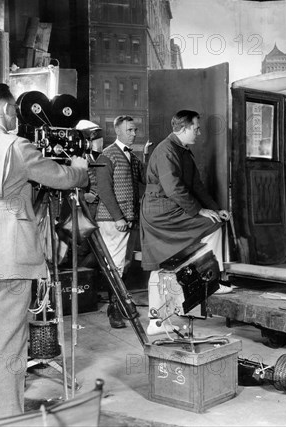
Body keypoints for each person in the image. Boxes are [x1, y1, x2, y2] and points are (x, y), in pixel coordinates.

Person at [0, 83, 88, 424]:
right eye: (14, 111)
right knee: (10, 341)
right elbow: (62, 178)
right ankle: (8, 416)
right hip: (9, 252)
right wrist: (81, 167)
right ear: (8, 110)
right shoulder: (18, 146)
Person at [140, 110, 231, 335]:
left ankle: (157, 322)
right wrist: (200, 210)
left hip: (170, 209)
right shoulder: (166, 150)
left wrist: (215, 209)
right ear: (183, 128)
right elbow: (173, 188)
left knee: (166, 264)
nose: (199, 132)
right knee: (164, 264)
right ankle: (212, 283)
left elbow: (196, 185)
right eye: (196, 128)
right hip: (161, 213)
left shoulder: (181, 150)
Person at [95, 116, 150, 329]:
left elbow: (145, 178)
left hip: (128, 218)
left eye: (135, 130)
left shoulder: (132, 156)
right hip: (112, 219)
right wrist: (118, 217)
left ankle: (121, 305)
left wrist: (145, 154)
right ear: (117, 131)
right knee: (115, 266)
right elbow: (104, 190)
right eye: (129, 130)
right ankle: (114, 309)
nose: (133, 133)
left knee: (123, 264)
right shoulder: (107, 155)